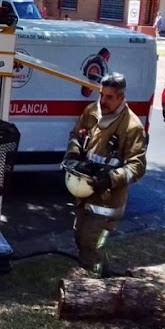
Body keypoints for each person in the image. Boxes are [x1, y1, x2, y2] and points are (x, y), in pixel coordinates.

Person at [61, 72, 147, 277]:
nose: (103, 100)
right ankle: (90, 279)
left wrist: (110, 179)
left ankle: (97, 286)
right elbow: (76, 135)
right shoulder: (92, 111)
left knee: (92, 244)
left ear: (120, 97)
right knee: (80, 237)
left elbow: (137, 166)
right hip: (86, 194)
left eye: (109, 97)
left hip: (107, 202)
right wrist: (73, 155)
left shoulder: (132, 127)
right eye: (102, 95)